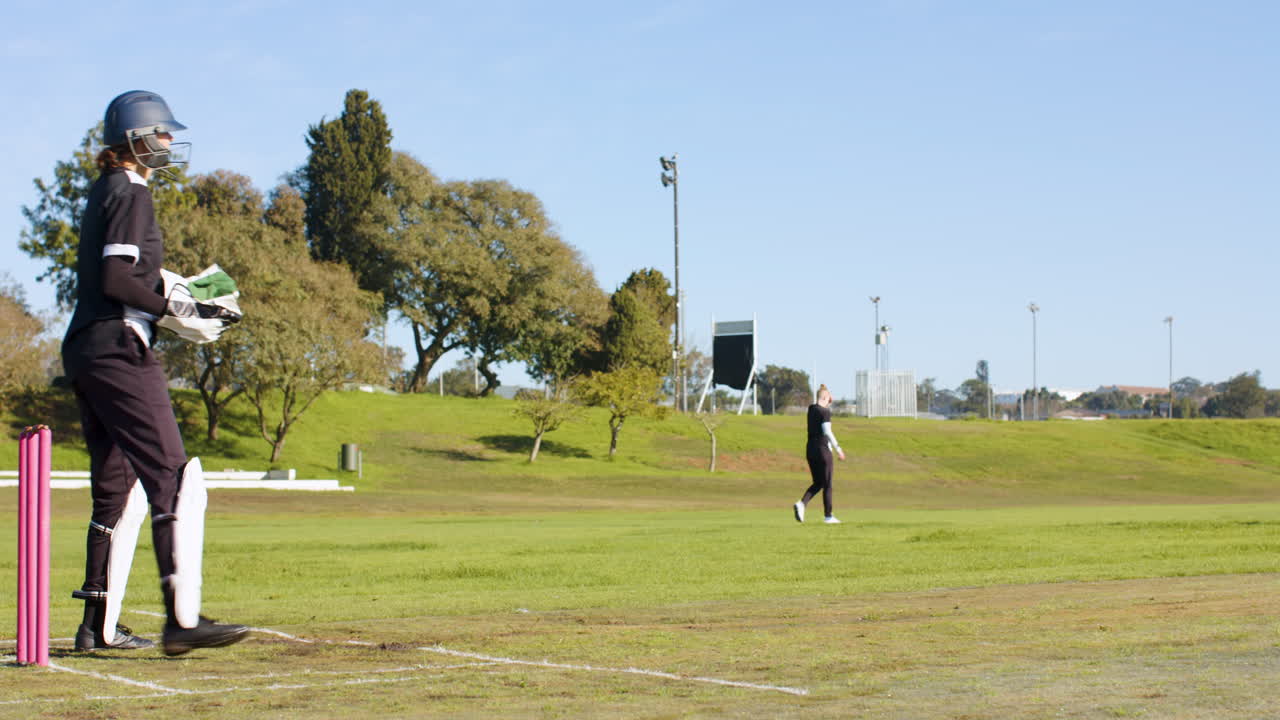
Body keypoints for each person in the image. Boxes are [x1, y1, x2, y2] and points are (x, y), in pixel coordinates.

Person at [61, 90, 248, 655]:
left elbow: (121, 277)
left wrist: (174, 293)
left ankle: (96, 626)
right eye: (161, 132)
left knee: (115, 491)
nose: (169, 142)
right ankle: (181, 620)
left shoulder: (106, 190)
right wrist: (180, 309)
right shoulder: (132, 190)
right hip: (119, 345)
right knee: (176, 478)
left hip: (88, 347)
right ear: (136, 136)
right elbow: (118, 280)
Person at [793, 384, 845, 524]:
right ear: (826, 398)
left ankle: (802, 504)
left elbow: (818, 404)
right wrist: (839, 449)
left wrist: (826, 397)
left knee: (818, 482)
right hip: (823, 449)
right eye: (829, 398)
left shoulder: (811, 409)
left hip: (810, 449)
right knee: (827, 483)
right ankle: (828, 516)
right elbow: (827, 431)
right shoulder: (825, 412)